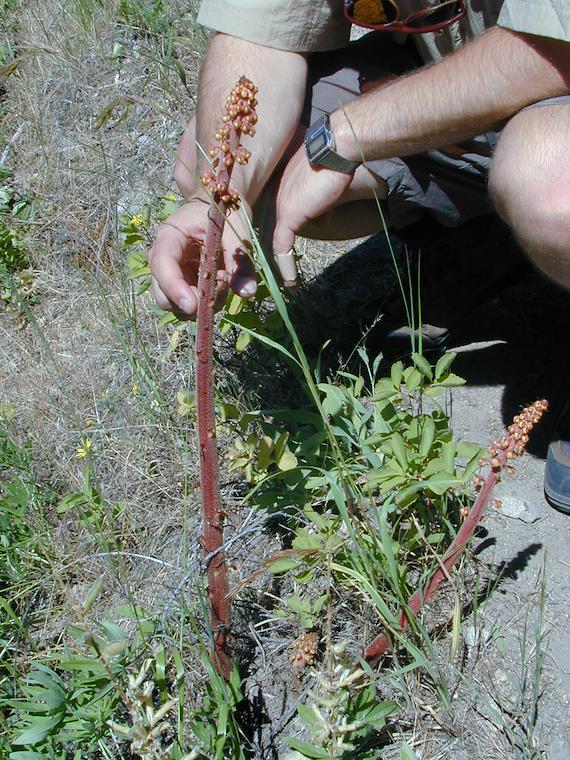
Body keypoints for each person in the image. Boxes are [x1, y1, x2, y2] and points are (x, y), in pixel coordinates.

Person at [148, 0, 570, 511]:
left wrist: (343, 136)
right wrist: (218, 197)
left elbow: (553, 49)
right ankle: (483, 239)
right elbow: (261, 36)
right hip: (455, 74)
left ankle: (522, 224)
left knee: (553, 189)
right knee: (218, 155)